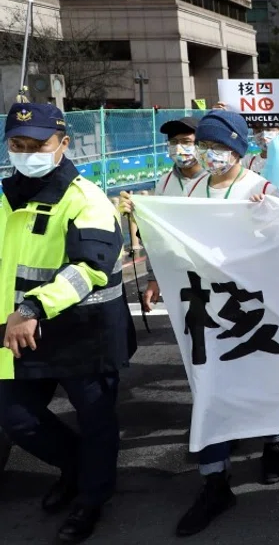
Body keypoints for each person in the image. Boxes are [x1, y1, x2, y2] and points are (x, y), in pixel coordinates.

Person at [0, 103, 136, 543]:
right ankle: (78, 469)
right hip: (20, 332)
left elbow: (90, 269)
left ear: (62, 144)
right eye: (17, 145)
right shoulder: (5, 197)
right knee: (15, 416)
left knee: (96, 419)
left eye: (37, 145)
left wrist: (33, 309)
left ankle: (92, 498)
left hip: (84, 332)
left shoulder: (86, 200)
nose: (26, 153)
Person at [165, 111, 279, 536]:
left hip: (251, 304)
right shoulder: (190, 188)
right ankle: (215, 481)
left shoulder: (261, 188)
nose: (212, 155)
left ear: (239, 148)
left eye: (221, 148)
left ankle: (274, 443)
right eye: (208, 147)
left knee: (260, 378)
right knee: (209, 387)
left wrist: (269, 216)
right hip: (201, 302)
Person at [120, 116, 206, 314]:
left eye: (186, 142)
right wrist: (153, 277)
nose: (178, 148)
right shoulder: (165, 183)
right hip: (181, 278)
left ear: (201, 145)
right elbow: (156, 236)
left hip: (216, 277)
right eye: (173, 142)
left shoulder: (216, 179)